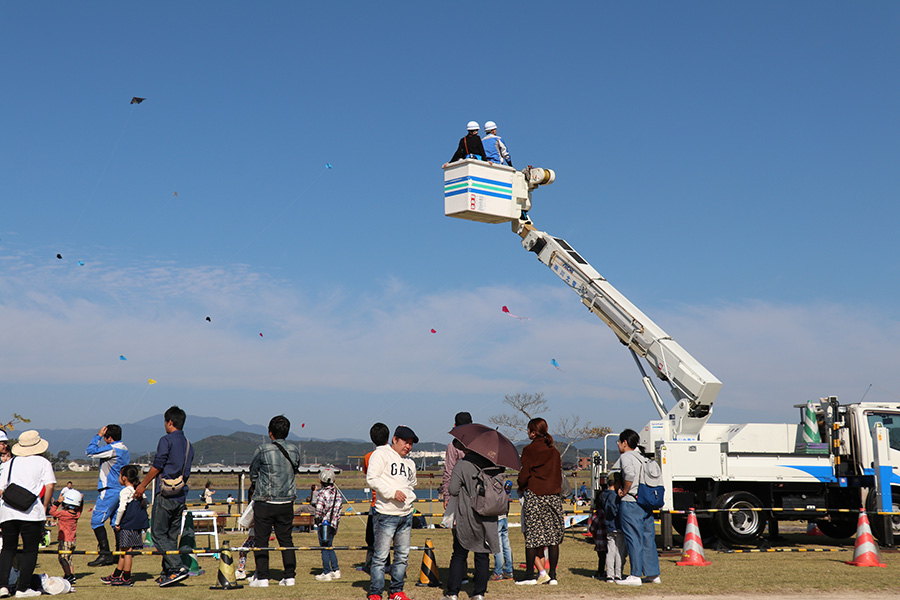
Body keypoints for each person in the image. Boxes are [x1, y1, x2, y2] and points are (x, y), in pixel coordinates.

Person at [134, 406, 195, 587]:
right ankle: (167, 573)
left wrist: (142, 485)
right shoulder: (189, 445)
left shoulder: (166, 440)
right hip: (180, 496)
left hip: (166, 495)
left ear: (170, 422)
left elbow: (158, 464)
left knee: (158, 534)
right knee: (171, 537)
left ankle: (177, 568)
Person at [0, 430, 56, 598]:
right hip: (32, 512)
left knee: (8, 549)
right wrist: (45, 506)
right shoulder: (43, 462)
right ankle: (22, 588)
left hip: (7, 512)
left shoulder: (8, 463)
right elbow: (50, 486)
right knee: (30, 550)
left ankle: (2, 586)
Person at [248, 415, 300, 588]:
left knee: (261, 540)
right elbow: (295, 470)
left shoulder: (262, 450)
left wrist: (258, 485)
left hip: (265, 501)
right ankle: (289, 576)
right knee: (286, 540)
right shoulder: (294, 450)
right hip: (287, 502)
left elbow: (253, 473)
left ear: (270, 433)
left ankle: (262, 577)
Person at [442, 448, 503, 600]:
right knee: (482, 554)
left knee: (459, 553)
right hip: (488, 515)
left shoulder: (462, 464)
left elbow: (453, 489)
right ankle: (479, 593)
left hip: (467, 514)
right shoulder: (495, 465)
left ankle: (453, 593)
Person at [367, 425, 418, 600]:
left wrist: (409, 498)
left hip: (406, 515)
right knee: (381, 556)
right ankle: (375, 592)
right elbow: (372, 478)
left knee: (402, 556)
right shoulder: (381, 454)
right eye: (405, 442)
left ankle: (396, 590)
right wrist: (391, 493)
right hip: (386, 514)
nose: (408, 446)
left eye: (411, 444)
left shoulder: (410, 462)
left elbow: (412, 484)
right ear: (395, 439)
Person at [515, 417, 563, 586]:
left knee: (532, 537)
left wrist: (521, 486)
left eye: (529, 430)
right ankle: (553, 575)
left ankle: (530, 575)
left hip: (535, 495)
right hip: (554, 497)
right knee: (553, 538)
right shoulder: (554, 451)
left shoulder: (529, 450)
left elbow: (524, 474)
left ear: (533, 432)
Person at [613, 429, 661, 586]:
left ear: (624, 443)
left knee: (633, 538)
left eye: (618, 442)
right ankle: (653, 573)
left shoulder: (626, 456)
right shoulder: (643, 457)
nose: (618, 445)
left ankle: (635, 575)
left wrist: (624, 491)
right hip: (646, 503)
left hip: (631, 501)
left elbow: (629, 475)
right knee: (648, 538)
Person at [85, 424, 130, 567]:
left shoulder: (112, 449)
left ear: (109, 437)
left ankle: (105, 554)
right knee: (116, 524)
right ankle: (118, 554)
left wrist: (97, 436)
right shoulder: (124, 449)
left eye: (105, 437)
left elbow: (90, 452)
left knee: (96, 522)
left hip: (109, 489)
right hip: (121, 489)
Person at [101, 465, 149, 587]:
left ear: (124, 478)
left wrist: (117, 523)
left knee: (127, 551)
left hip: (127, 525)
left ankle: (126, 577)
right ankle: (116, 574)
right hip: (136, 525)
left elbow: (121, 508)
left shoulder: (125, 491)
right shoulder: (139, 491)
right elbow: (146, 504)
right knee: (124, 550)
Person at [362, 422, 390, 573]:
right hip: (391, 501)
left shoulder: (368, 457)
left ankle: (375, 564)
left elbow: (369, 476)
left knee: (374, 537)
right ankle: (388, 564)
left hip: (376, 502)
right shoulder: (393, 454)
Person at [48, 488, 83, 590]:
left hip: (65, 540)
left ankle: (69, 575)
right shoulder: (76, 515)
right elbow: (80, 508)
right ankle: (72, 575)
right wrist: (81, 501)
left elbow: (52, 511)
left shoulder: (64, 514)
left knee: (62, 558)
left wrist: (58, 502)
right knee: (70, 559)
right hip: (73, 540)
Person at [314, 468, 343, 582]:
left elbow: (319, 510)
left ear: (321, 481)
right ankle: (336, 570)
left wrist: (317, 520)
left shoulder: (322, 493)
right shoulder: (338, 493)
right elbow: (339, 511)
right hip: (333, 524)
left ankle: (326, 572)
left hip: (324, 524)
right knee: (330, 546)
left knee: (324, 548)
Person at [603, 472, 627, 581]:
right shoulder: (614, 497)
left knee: (610, 551)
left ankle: (609, 574)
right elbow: (614, 510)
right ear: (617, 483)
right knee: (619, 552)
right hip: (617, 526)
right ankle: (618, 573)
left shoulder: (604, 495)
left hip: (608, 527)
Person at [489, 480, 513, 581]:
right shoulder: (503, 482)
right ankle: (509, 570)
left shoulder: (492, 483)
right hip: (503, 515)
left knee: (497, 546)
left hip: (496, 517)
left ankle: (498, 572)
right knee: (506, 544)